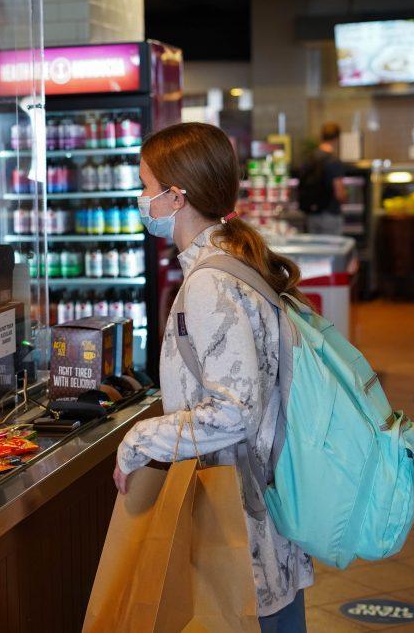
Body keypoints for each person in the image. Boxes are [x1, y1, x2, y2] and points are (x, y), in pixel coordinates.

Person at [114, 122, 312, 632]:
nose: (141, 199)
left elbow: (234, 411)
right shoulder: (232, 262)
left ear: (176, 197)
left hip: (240, 529)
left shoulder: (210, 285)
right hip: (263, 522)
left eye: (145, 186)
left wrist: (140, 440)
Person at [298, 122, 347, 235]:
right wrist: (344, 199)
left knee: (314, 250)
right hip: (330, 215)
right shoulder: (334, 161)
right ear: (337, 138)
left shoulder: (309, 158)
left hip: (311, 215)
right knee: (332, 251)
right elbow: (339, 193)